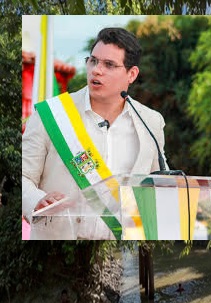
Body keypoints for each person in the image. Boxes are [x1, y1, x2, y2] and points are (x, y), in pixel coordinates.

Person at [22, 27, 167, 240]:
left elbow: (159, 182)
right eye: (93, 61)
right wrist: (35, 200)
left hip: (120, 247)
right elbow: (23, 175)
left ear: (132, 74)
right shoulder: (50, 115)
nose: (96, 70)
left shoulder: (150, 122)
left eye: (109, 65)